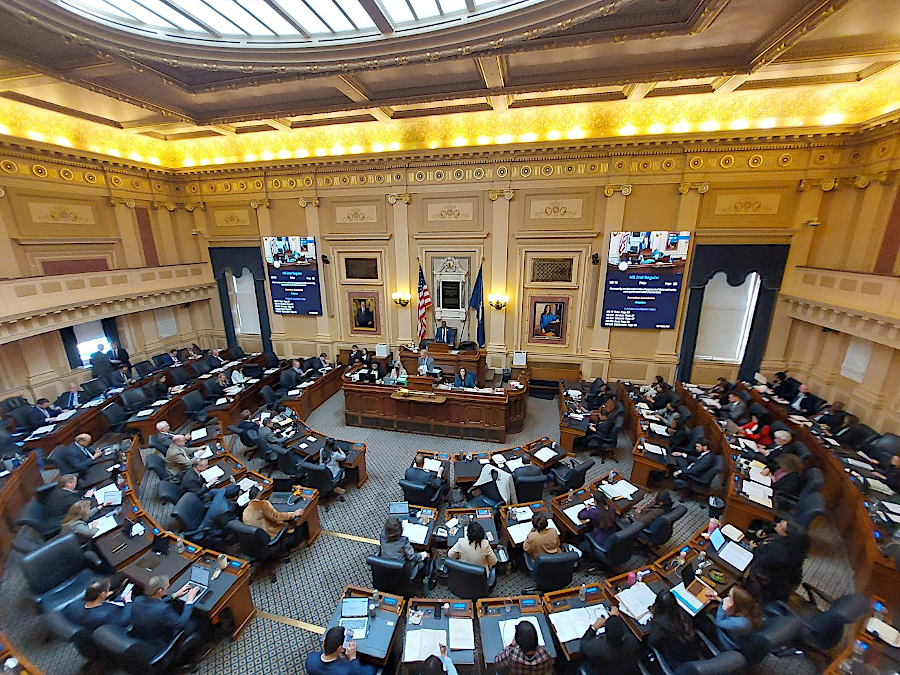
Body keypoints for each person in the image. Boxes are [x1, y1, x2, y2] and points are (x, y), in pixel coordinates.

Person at [130, 575, 202, 663]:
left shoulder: (138, 600)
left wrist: (174, 596)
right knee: (195, 622)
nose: (168, 588)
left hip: (145, 638)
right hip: (161, 643)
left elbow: (153, 605)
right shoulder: (163, 610)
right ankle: (196, 654)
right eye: (166, 588)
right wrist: (189, 601)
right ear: (160, 591)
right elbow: (181, 623)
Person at [748, 519, 810, 603]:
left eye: (781, 526)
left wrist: (754, 549)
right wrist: (765, 538)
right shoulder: (794, 546)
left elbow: (760, 561)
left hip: (770, 588)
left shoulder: (780, 552)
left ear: (786, 534)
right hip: (785, 582)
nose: (777, 524)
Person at [647, 590, 702, 667]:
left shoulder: (660, 625)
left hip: (677, 662)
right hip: (692, 653)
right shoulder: (683, 615)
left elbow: (652, 643)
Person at [580, 610, 640, 675]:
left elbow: (583, 643)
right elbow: (621, 630)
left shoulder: (597, 648)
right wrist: (614, 618)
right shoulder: (632, 642)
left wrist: (594, 627)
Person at [706, 586, 763, 651]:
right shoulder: (745, 608)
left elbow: (719, 622)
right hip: (735, 629)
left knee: (706, 618)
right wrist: (717, 598)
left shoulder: (741, 623)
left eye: (729, 596)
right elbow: (732, 606)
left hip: (730, 640)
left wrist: (723, 608)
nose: (727, 598)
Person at [63, 578, 132, 630]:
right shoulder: (106, 614)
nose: (110, 592)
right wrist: (128, 601)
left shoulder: (73, 605)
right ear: (103, 594)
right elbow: (123, 620)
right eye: (108, 590)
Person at [305, 625, 376, 675]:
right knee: (373, 667)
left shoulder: (310, 660)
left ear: (324, 643)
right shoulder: (347, 670)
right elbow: (366, 672)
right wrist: (353, 658)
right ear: (339, 649)